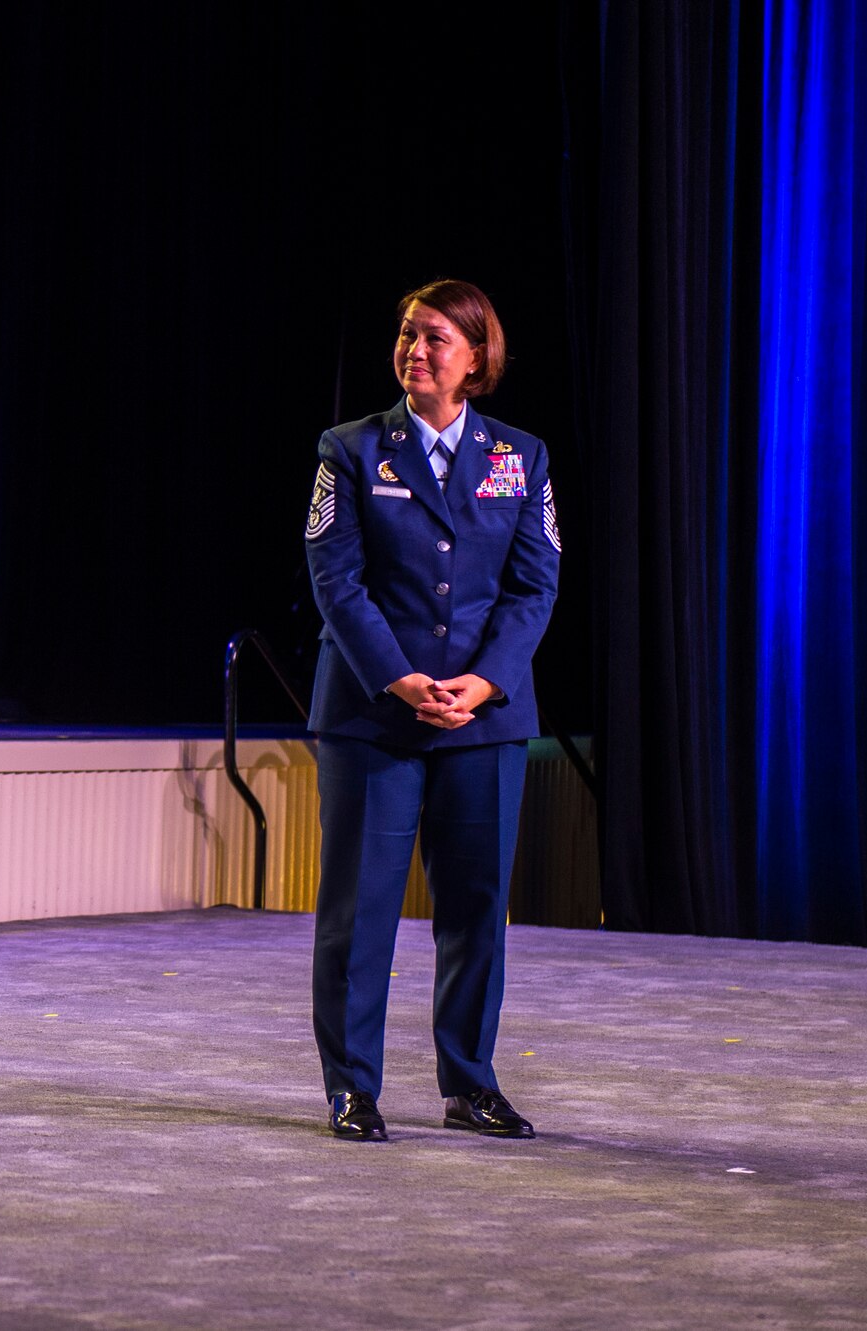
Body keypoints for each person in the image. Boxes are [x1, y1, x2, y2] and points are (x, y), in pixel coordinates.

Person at [301, 279, 561, 1143]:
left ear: (477, 358)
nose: (417, 350)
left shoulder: (520, 456)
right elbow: (335, 581)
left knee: (476, 909)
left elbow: (534, 586)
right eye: (410, 335)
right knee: (360, 907)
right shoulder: (349, 448)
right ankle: (352, 1088)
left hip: (483, 720)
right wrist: (400, 678)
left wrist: (485, 683)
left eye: (437, 338)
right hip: (376, 715)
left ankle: (470, 1084)